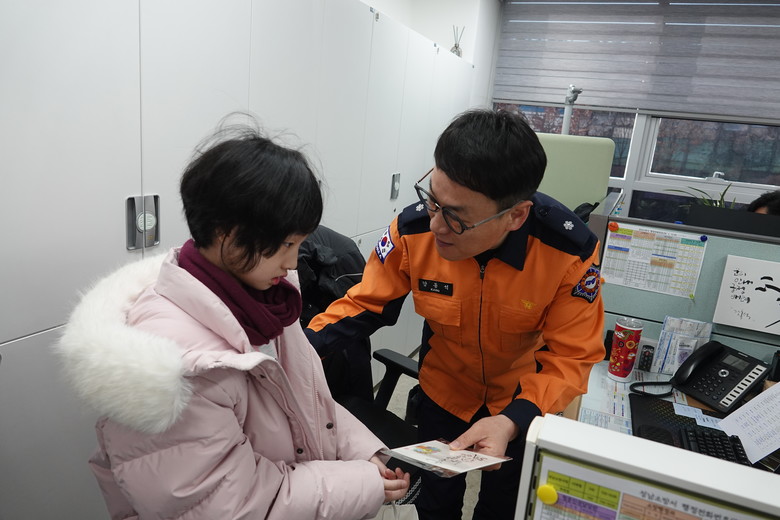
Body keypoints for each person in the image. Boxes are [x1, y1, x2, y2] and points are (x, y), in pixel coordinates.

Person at [56, 120, 409, 519]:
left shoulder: (267, 302)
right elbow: (235, 507)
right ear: (228, 233)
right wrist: (362, 483)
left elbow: (310, 405)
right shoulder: (176, 369)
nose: (293, 262)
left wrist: (363, 453)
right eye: (286, 244)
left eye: (299, 243)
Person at [305, 109, 605, 519]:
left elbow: (572, 356)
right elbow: (364, 303)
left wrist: (513, 420)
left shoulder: (567, 253)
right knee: (435, 504)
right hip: (443, 393)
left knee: (502, 507)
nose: (436, 226)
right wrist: (296, 349)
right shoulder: (413, 232)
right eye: (432, 200)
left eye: (457, 218)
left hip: (520, 400)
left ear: (515, 215)